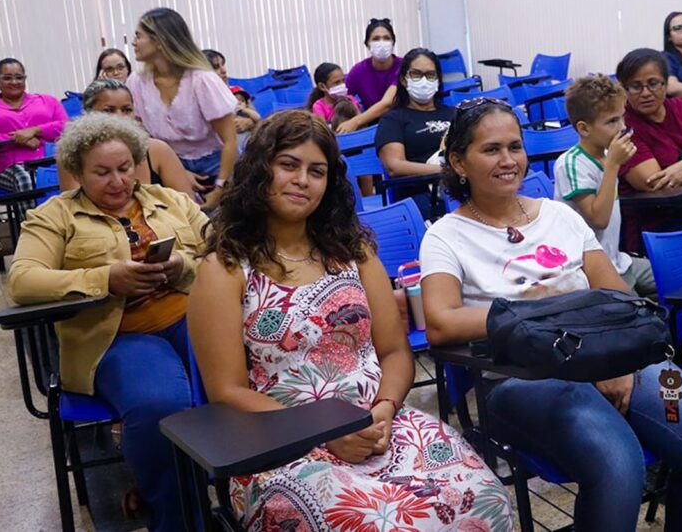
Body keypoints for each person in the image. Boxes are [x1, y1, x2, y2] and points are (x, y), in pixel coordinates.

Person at [187, 109, 511, 530]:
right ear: (258, 172)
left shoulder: (353, 254)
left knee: (484, 497)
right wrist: (322, 433)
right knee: (375, 524)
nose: (302, 180)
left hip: (377, 426)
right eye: (288, 165)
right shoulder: (226, 268)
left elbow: (394, 352)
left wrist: (384, 409)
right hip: (280, 441)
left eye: (316, 171)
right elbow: (226, 391)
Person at [420, 98, 682, 532]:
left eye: (516, 146)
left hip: (611, 358)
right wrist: (544, 311)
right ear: (458, 161)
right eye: (491, 149)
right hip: (521, 376)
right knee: (618, 459)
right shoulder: (445, 235)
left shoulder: (558, 216)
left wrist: (611, 358)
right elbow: (440, 322)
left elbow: (618, 296)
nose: (508, 160)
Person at [7, 112, 209, 529]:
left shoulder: (172, 201)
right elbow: (23, 280)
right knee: (160, 405)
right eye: (102, 172)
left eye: (125, 169)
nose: (117, 182)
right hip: (117, 337)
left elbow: (223, 254)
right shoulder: (55, 216)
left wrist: (181, 267)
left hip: (195, 318)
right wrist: (106, 279)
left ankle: (246, 492)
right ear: (78, 171)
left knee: (256, 375)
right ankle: (177, 517)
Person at [554, 75, 656, 298]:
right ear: (584, 128)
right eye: (612, 122)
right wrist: (613, 166)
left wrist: (612, 162)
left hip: (620, 260)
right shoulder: (571, 164)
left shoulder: (608, 154)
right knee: (643, 318)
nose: (622, 128)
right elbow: (599, 219)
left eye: (622, 118)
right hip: (594, 271)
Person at [127, 8, 238, 209]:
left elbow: (230, 140)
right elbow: (140, 136)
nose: (133, 42)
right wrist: (178, 172)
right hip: (165, 163)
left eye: (138, 36)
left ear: (159, 40)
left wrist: (221, 188)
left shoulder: (202, 80)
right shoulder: (136, 82)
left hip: (216, 166)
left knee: (219, 225)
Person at [616, 48, 682, 250]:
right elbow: (655, 182)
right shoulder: (625, 127)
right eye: (636, 86)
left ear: (666, 84)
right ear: (625, 90)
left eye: (653, 83)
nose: (646, 93)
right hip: (661, 230)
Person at [56, 79, 196, 200]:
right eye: (108, 111)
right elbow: (75, 212)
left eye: (126, 110)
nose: (120, 117)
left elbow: (188, 206)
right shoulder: (74, 155)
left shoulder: (158, 150)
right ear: (88, 114)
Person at [0, 58, 68, 198]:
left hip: (51, 160)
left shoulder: (47, 101)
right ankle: (33, 220)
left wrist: (35, 130)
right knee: (27, 180)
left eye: (19, 77)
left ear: (25, 79)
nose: (14, 82)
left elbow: (66, 126)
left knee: (78, 175)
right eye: (7, 78)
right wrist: (16, 138)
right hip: (11, 167)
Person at [375, 48, 455, 219]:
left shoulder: (453, 114)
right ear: (404, 80)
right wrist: (443, 171)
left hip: (458, 188)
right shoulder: (393, 119)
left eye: (431, 75)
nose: (424, 80)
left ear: (438, 80)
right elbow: (394, 166)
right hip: (420, 196)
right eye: (416, 74)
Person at [336, 18, 403, 133]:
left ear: (393, 43)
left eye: (386, 38)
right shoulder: (358, 71)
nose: (381, 43)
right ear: (367, 44)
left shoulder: (404, 66)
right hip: (370, 126)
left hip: (401, 124)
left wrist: (355, 121)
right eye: (376, 39)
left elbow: (387, 104)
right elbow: (343, 99)